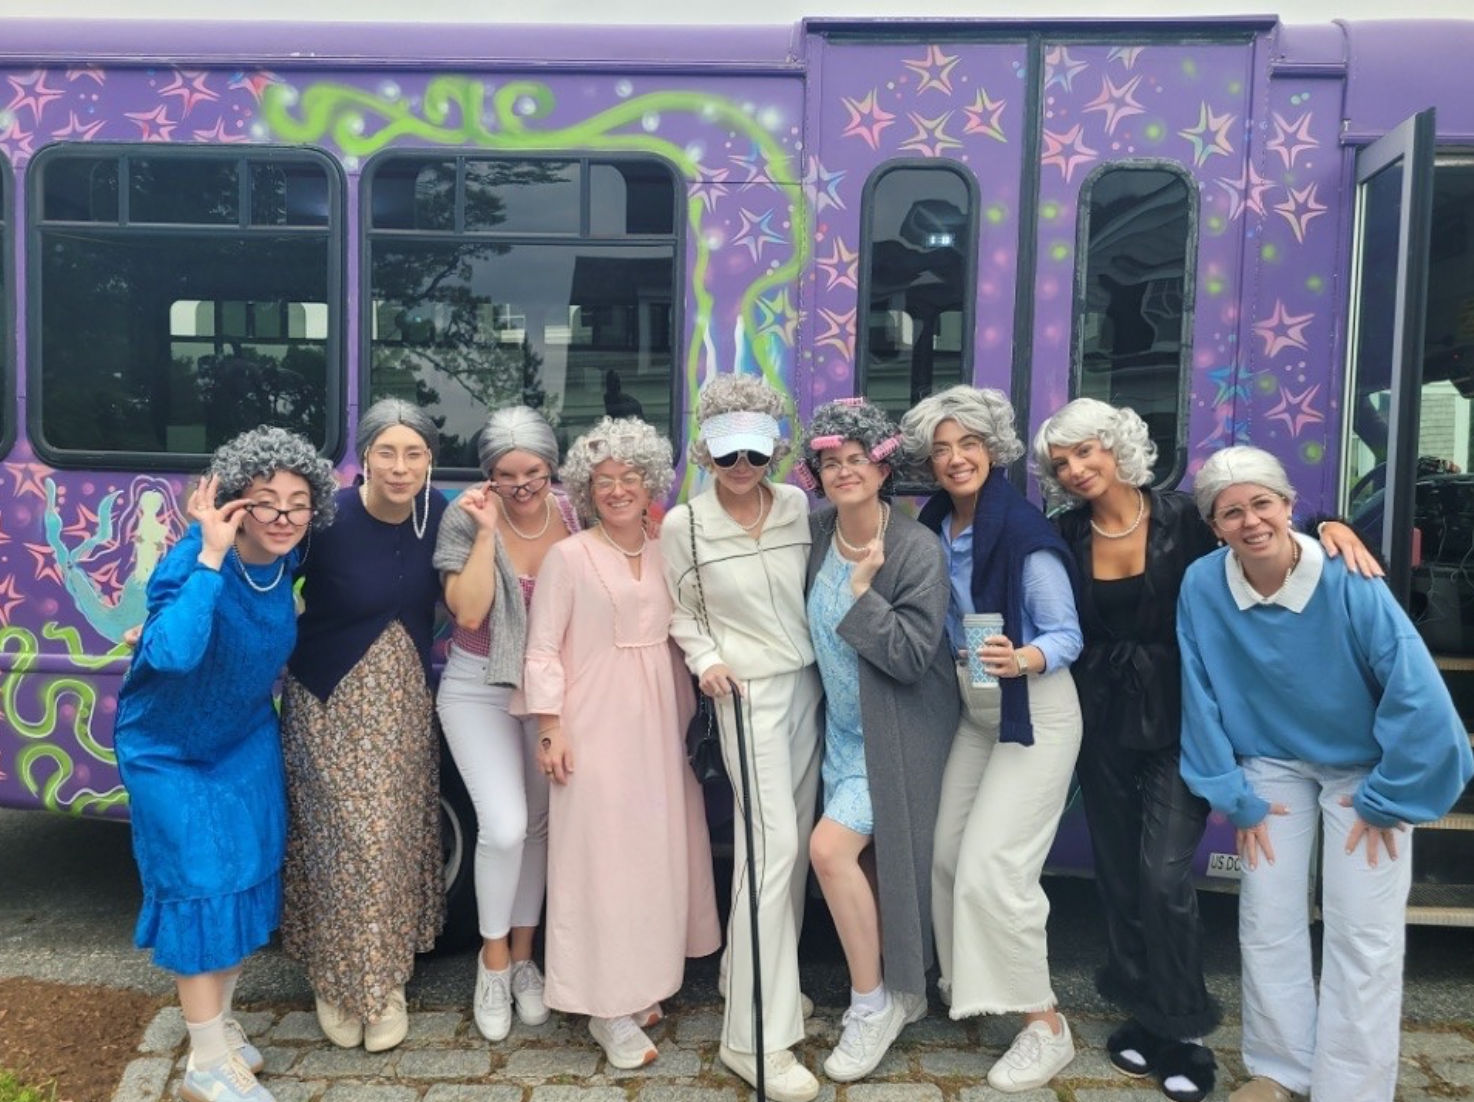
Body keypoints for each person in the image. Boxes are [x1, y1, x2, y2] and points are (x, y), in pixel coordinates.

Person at [1031, 399, 1382, 1102]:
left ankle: (1187, 1033)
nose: (1075, 470)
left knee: (1164, 878)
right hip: (1098, 719)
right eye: (1061, 463)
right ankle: (1144, 1012)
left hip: (1187, 717)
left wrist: (1330, 524)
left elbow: (1257, 520)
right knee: (1120, 876)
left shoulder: (1188, 516)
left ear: (1118, 446)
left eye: (1086, 452)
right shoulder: (1062, 533)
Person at [1177, 446, 1474, 1102]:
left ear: (1289, 508)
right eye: (1231, 512)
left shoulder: (1348, 578)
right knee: (1265, 918)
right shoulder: (1202, 584)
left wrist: (1391, 796)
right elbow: (1196, 691)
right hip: (1272, 766)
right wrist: (1232, 794)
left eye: (1262, 504)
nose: (1250, 520)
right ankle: (1281, 1069)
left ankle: (1353, 1087)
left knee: (1361, 932)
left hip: (1365, 769)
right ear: (1215, 526)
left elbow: (1417, 692)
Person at [115, 427, 337, 1102]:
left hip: (243, 740)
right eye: (265, 501)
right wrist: (209, 554)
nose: (282, 516)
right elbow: (175, 654)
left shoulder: (287, 564)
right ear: (234, 503)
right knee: (201, 888)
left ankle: (217, 1028)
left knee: (245, 881)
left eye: (298, 504)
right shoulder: (194, 559)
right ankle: (206, 1065)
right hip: (168, 750)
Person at [898, 385, 1084, 1094]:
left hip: (1032, 707)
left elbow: (1066, 633)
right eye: (942, 449)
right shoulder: (937, 523)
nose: (954, 459)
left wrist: (1026, 658)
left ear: (993, 450)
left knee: (993, 868)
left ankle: (1046, 1026)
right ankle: (975, 989)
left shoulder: (1026, 534)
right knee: (945, 855)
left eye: (968, 444)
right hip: (977, 704)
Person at [522, 416, 721, 1070]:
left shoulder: (669, 549)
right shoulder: (568, 557)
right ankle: (604, 1006)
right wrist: (549, 725)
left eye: (628, 477)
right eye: (602, 481)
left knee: (653, 854)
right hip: (594, 719)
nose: (615, 490)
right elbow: (543, 645)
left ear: (649, 483)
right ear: (585, 490)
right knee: (600, 860)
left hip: (664, 718)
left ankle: (644, 982)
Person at [659, 374, 824, 1102]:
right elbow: (682, 611)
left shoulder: (795, 505)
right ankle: (754, 1038)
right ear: (705, 450)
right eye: (728, 455)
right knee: (772, 851)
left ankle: (753, 981)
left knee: (786, 854)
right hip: (747, 693)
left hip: (808, 688)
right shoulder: (683, 525)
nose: (742, 468)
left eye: (756, 453)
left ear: (776, 451)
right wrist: (708, 661)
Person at [280, 398, 449, 1053]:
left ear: (430, 460)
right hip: (326, 694)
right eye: (387, 452)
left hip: (402, 701)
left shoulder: (443, 516)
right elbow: (258, 572)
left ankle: (381, 983)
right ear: (365, 457)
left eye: (413, 453)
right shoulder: (327, 517)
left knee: (389, 842)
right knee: (341, 841)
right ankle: (335, 979)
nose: (400, 467)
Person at [799, 399, 958, 1082]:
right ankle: (903, 984)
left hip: (894, 733)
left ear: (882, 467)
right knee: (864, 866)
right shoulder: (813, 532)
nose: (843, 472)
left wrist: (866, 593)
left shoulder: (915, 548)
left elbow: (914, 656)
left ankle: (871, 1006)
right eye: (830, 463)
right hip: (839, 728)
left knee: (829, 851)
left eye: (856, 460)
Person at [435, 406, 577, 1041]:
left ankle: (525, 958)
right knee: (506, 824)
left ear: (552, 469)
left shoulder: (576, 515)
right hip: (478, 687)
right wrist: (488, 533)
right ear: (488, 474)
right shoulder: (464, 516)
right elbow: (467, 614)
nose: (521, 486)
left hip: (549, 694)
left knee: (542, 827)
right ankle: (491, 962)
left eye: (534, 473)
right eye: (506, 474)